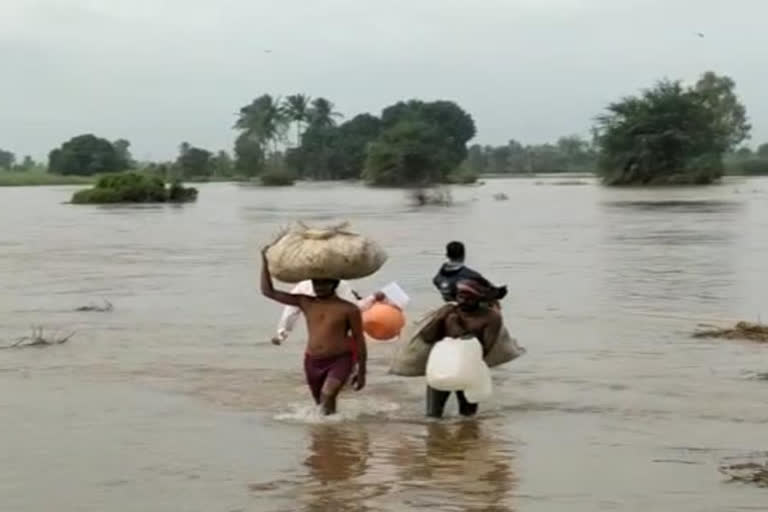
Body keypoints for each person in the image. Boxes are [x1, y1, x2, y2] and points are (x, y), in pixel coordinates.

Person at [260, 248, 367, 415]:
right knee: (321, 406)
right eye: (316, 284)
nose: (319, 287)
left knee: (328, 394)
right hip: (312, 361)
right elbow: (268, 292)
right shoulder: (306, 302)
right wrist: (264, 261)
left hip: (340, 359)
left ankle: (330, 432)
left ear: (334, 284)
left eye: (324, 284)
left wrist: (361, 372)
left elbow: (359, 340)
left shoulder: (349, 309)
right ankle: (329, 436)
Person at [420, 279, 502, 419]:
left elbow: (486, 349)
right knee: (432, 417)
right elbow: (426, 337)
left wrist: (456, 327)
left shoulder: (490, 317)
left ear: (478, 299)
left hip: (469, 369)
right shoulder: (448, 311)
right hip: (443, 367)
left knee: (468, 418)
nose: (463, 301)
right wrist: (439, 318)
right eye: (460, 297)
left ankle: (466, 440)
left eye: (469, 299)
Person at [271, 280, 383, 345]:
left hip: (317, 344)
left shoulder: (304, 286)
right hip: (342, 341)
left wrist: (282, 333)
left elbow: (290, 311)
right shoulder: (340, 285)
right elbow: (355, 307)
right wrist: (373, 297)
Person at [433, 241, 507, 304]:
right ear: (464, 255)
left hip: (449, 302)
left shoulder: (437, 278)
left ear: (447, 255)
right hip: (467, 306)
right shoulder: (472, 276)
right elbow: (491, 291)